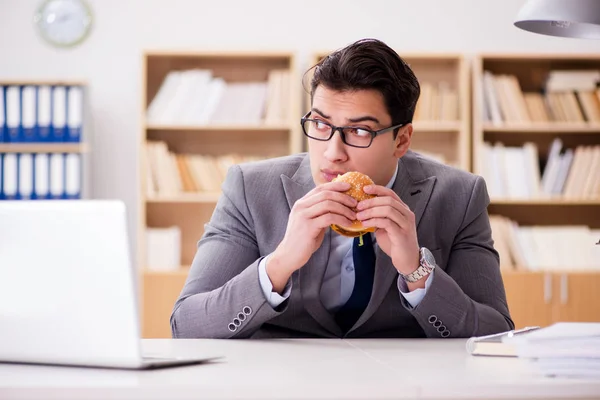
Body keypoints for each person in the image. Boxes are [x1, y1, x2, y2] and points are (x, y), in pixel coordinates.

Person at [170, 38, 514, 339]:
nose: (333, 153)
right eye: (320, 124)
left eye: (359, 132)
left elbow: (496, 331)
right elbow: (186, 324)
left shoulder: (460, 196)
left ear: (402, 139)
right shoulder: (250, 189)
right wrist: (279, 264)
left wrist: (417, 272)